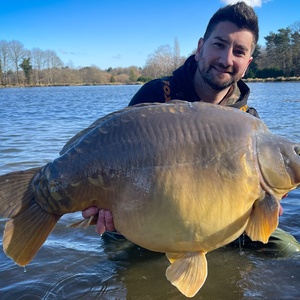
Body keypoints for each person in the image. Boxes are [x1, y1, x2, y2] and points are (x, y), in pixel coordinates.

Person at [82, 1, 300, 255]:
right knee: (118, 247)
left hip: (216, 223)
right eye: (219, 44)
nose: (226, 59)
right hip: (149, 214)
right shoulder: (156, 95)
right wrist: (102, 205)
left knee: (287, 251)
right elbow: (116, 153)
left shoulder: (248, 121)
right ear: (200, 48)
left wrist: (266, 206)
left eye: (239, 51)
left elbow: (259, 213)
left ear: (247, 63)